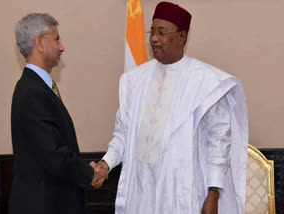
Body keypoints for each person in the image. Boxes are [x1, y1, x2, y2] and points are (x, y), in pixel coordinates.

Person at [94, 2, 248, 214]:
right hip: (140, 191)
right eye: (152, 32)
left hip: (181, 192)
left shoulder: (206, 83)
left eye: (162, 32)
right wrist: (105, 164)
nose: (154, 38)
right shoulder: (134, 81)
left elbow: (219, 144)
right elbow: (123, 134)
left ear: (182, 37)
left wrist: (213, 194)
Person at [10, 13, 105, 214]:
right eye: (57, 39)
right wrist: (90, 174)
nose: (62, 47)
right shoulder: (31, 92)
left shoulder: (36, 88)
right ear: (40, 43)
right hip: (44, 205)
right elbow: (54, 156)